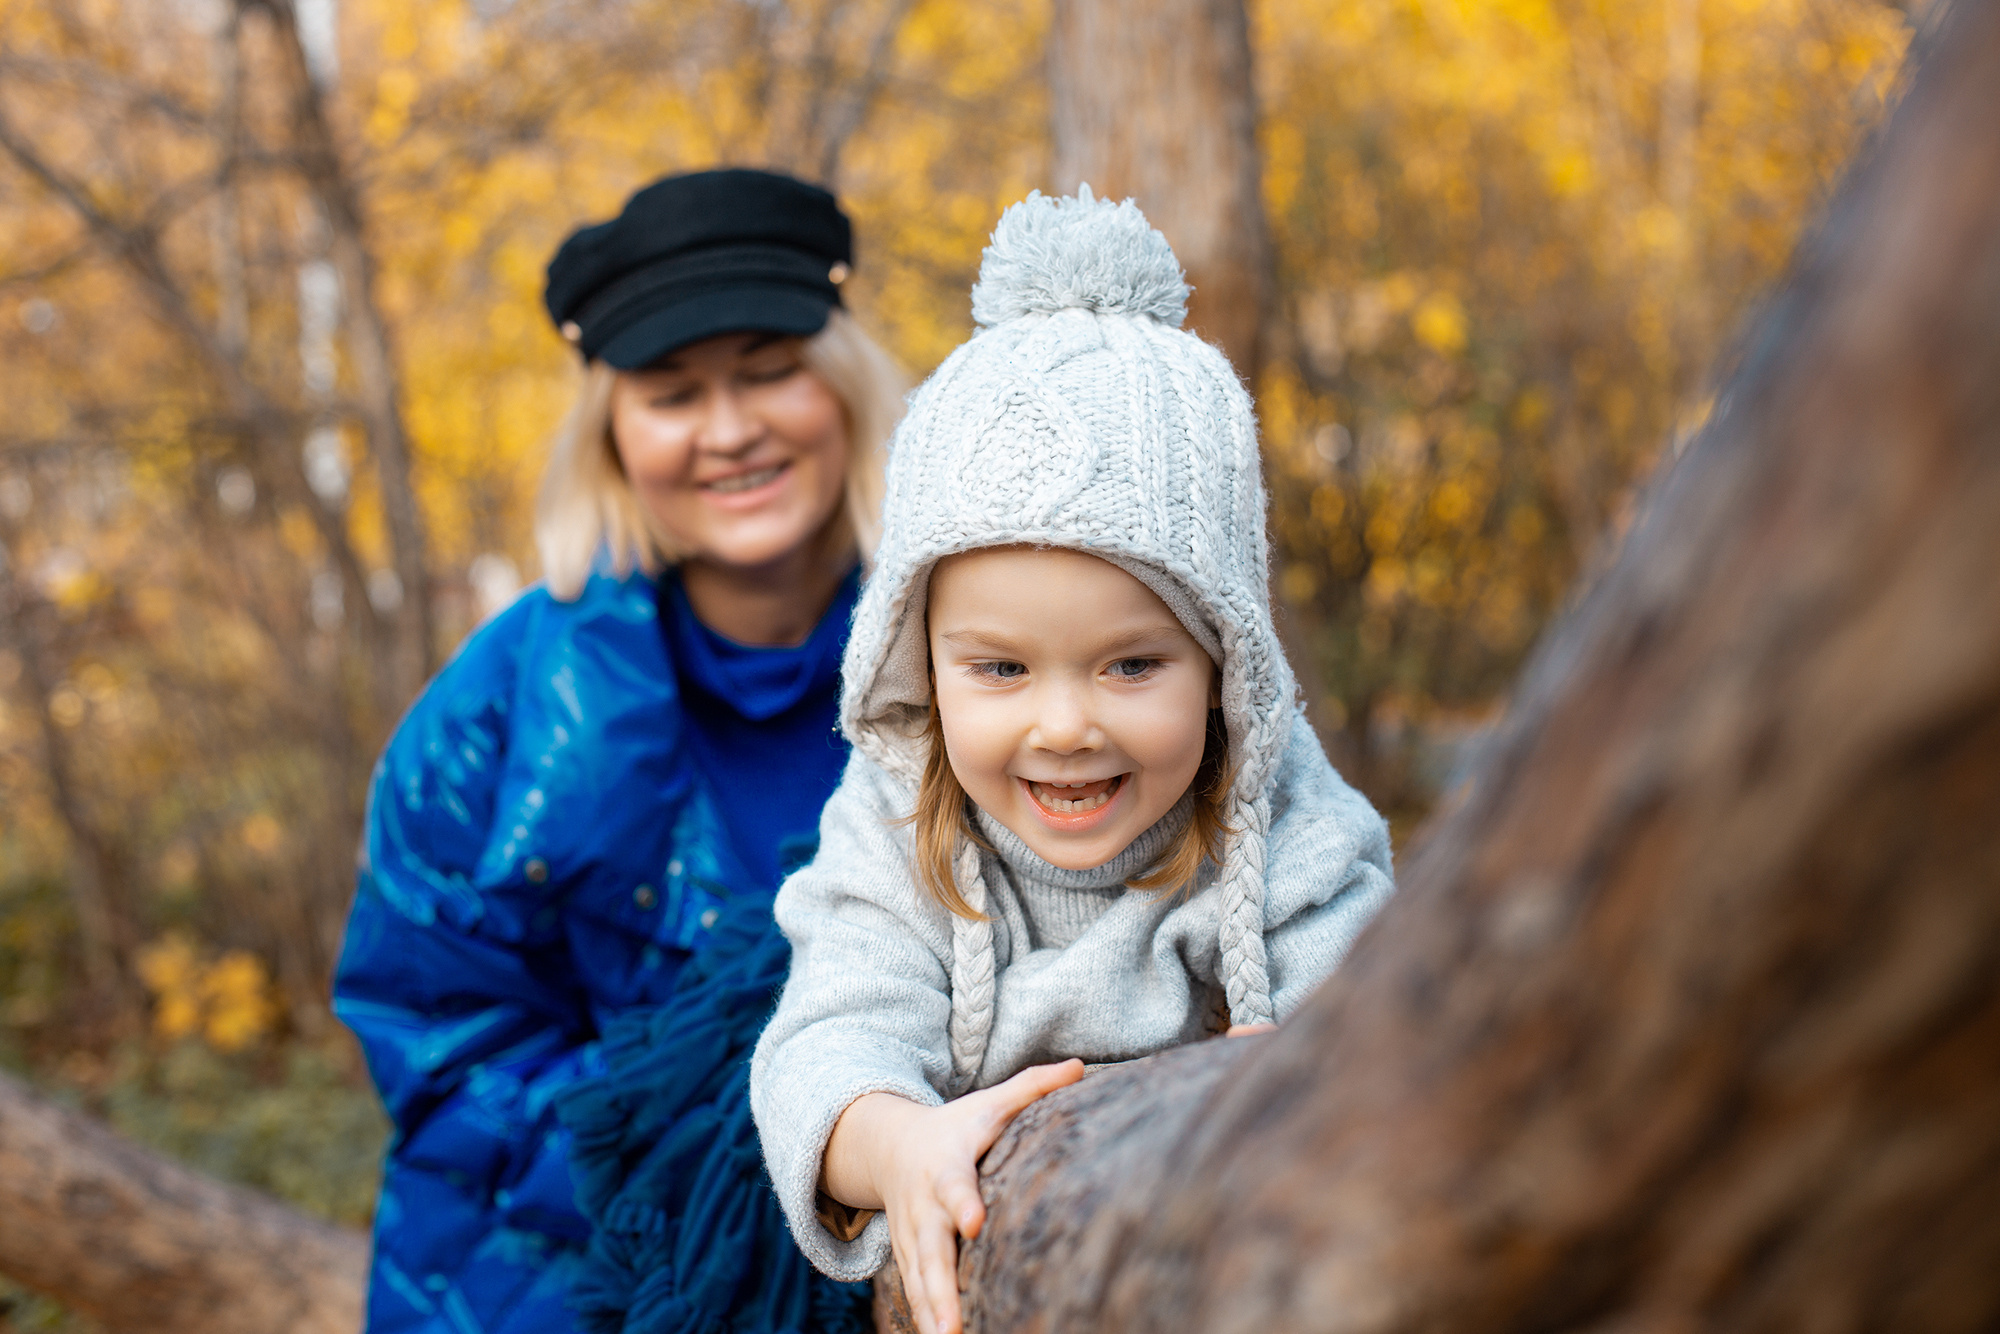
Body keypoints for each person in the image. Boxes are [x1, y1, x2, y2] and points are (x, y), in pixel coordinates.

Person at [749, 188, 1396, 1334]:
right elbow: (825, 1039)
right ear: (923, 665)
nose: (1063, 725)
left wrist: (1314, 1076)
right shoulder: (898, 820)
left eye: (1129, 665)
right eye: (999, 670)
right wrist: (899, 1142)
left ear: (1220, 661)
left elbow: (1378, 1021)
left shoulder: (1286, 820)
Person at [333, 168, 904, 1334]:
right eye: (672, 391)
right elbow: (442, 1050)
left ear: (840, 384)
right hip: (557, 1286)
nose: (731, 428)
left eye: (767, 368)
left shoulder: (988, 650)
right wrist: (770, 1165)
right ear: (614, 431)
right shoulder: (491, 714)